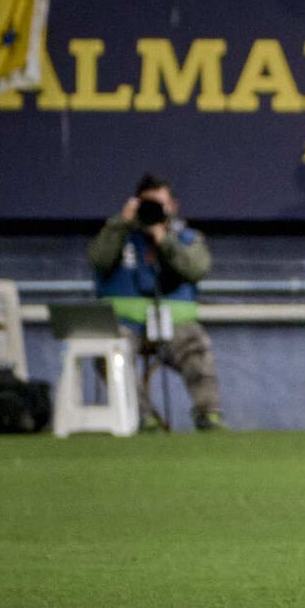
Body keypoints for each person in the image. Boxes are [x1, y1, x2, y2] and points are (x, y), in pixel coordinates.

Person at [87, 173, 225, 431]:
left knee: (197, 346)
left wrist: (165, 240)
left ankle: (209, 415)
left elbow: (197, 268)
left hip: (175, 325)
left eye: (160, 205)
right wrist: (120, 224)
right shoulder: (118, 234)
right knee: (109, 351)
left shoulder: (186, 238)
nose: (154, 212)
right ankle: (142, 416)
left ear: (173, 206)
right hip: (124, 324)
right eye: (147, 205)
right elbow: (98, 259)